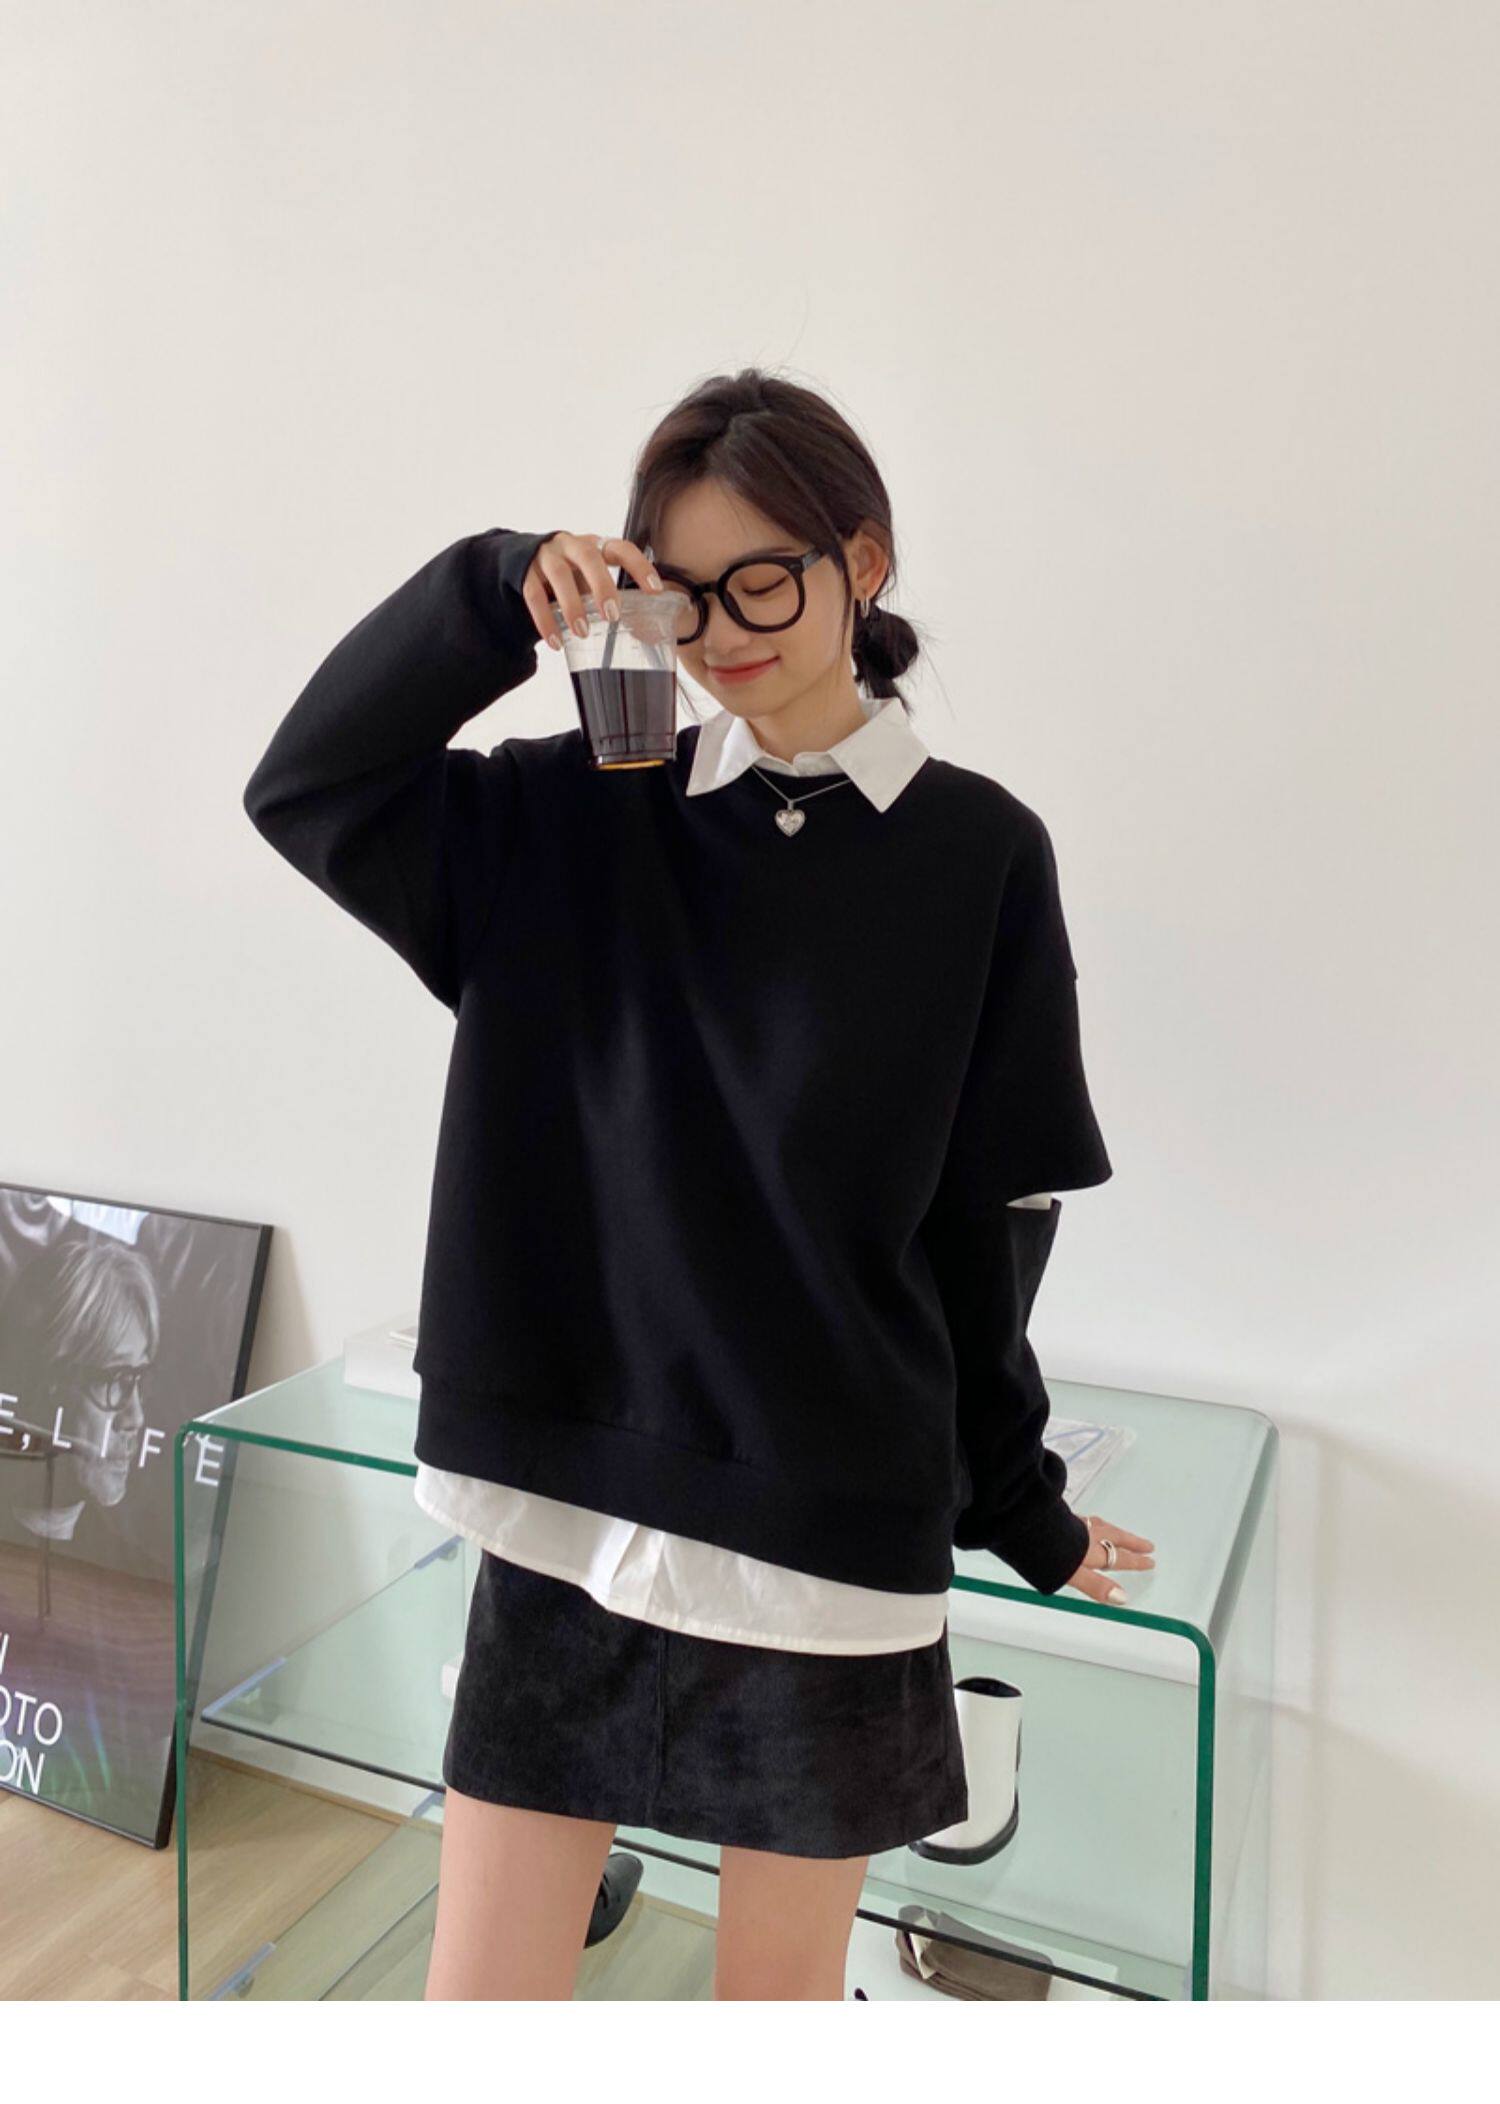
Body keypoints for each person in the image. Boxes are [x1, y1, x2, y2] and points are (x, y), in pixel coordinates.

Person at [242, 367, 1154, 2001]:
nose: (723, 632)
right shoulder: (574, 815)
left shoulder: (978, 858)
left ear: (862, 563)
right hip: (566, 1517)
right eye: (682, 590)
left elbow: (989, 1225)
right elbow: (310, 787)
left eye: (765, 582)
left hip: (824, 1548)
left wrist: (1023, 1511)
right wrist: (493, 590)